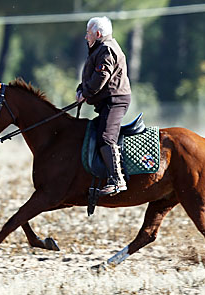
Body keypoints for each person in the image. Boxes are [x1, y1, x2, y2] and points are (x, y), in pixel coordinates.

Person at [76, 16, 132, 196]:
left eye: (88, 33)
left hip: (115, 100)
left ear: (98, 34)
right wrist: (82, 89)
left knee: (106, 137)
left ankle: (117, 180)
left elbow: (101, 77)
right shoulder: (101, 48)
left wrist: (85, 93)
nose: (86, 37)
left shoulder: (107, 49)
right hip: (109, 99)